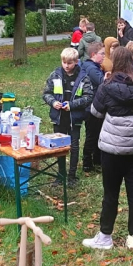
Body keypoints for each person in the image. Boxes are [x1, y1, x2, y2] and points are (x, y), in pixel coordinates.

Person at [83, 46, 133, 250]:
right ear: (132, 62)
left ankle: (105, 236)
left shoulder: (106, 86)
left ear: (114, 62)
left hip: (111, 149)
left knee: (110, 192)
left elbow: (96, 112)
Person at [42, 47, 93, 185]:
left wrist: (72, 105)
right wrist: (53, 102)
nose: (66, 65)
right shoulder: (55, 75)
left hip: (74, 118)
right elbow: (46, 93)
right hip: (58, 117)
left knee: (74, 146)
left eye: (69, 63)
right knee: (59, 147)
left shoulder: (83, 77)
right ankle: (61, 174)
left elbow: (88, 97)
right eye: (64, 62)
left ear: (76, 62)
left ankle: (72, 175)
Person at [81, 41, 107, 173]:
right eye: (102, 54)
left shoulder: (94, 66)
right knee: (91, 135)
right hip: (91, 108)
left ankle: (97, 160)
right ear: (93, 54)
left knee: (97, 133)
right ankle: (87, 163)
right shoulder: (91, 68)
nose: (104, 56)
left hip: (96, 106)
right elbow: (102, 82)